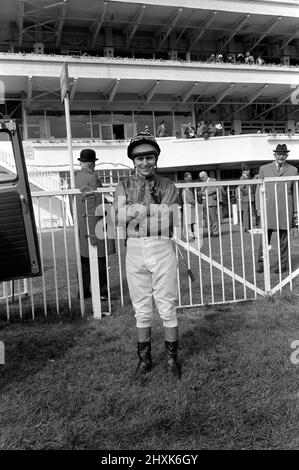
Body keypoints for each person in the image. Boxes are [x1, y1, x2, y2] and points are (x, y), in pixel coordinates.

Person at [113, 132, 181, 378]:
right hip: (134, 249)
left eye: (149, 157)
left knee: (166, 305)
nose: (144, 163)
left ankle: (172, 360)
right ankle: (145, 360)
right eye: (139, 158)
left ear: (156, 158)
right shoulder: (122, 185)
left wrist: (133, 212)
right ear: (133, 160)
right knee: (141, 308)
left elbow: (169, 218)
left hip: (161, 247)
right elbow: (116, 218)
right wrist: (151, 211)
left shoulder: (168, 185)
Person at [75, 148, 115, 300]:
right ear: (92, 164)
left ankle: (83, 291)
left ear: (81, 162)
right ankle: (101, 291)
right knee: (100, 259)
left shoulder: (75, 178)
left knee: (84, 259)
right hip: (94, 223)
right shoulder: (93, 178)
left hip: (81, 223)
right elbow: (100, 202)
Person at [255, 144, 298, 274]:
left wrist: (296, 210)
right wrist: (258, 207)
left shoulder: (293, 170)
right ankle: (261, 263)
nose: (281, 156)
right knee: (264, 239)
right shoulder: (264, 169)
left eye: (283, 154)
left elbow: (295, 192)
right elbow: (258, 189)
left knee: (283, 240)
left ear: (287, 156)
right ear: (274, 155)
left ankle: (282, 265)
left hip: (285, 209)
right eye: (278, 154)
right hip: (267, 208)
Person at [199, 171, 220, 237]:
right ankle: (210, 231)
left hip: (211, 202)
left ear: (205, 175)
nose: (201, 179)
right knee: (207, 219)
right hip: (204, 202)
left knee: (213, 218)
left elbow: (215, 189)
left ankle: (215, 232)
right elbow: (201, 192)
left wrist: (206, 193)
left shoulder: (213, 180)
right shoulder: (202, 183)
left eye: (202, 177)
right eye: (200, 178)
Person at [181, 172, 201, 241]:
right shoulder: (184, 188)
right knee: (188, 222)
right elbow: (189, 199)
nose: (189, 179)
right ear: (185, 178)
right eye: (188, 178)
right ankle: (190, 234)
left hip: (192, 207)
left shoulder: (190, 188)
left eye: (190, 178)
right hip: (188, 206)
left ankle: (195, 233)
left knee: (194, 221)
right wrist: (196, 202)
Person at [237, 163, 252, 231]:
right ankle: (246, 227)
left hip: (247, 198)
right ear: (244, 171)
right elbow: (241, 187)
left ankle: (248, 226)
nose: (249, 171)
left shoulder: (246, 177)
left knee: (248, 213)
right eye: (247, 170)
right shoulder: (242, 178)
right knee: (246, 213)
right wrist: (247, 193)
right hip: (246, 198)